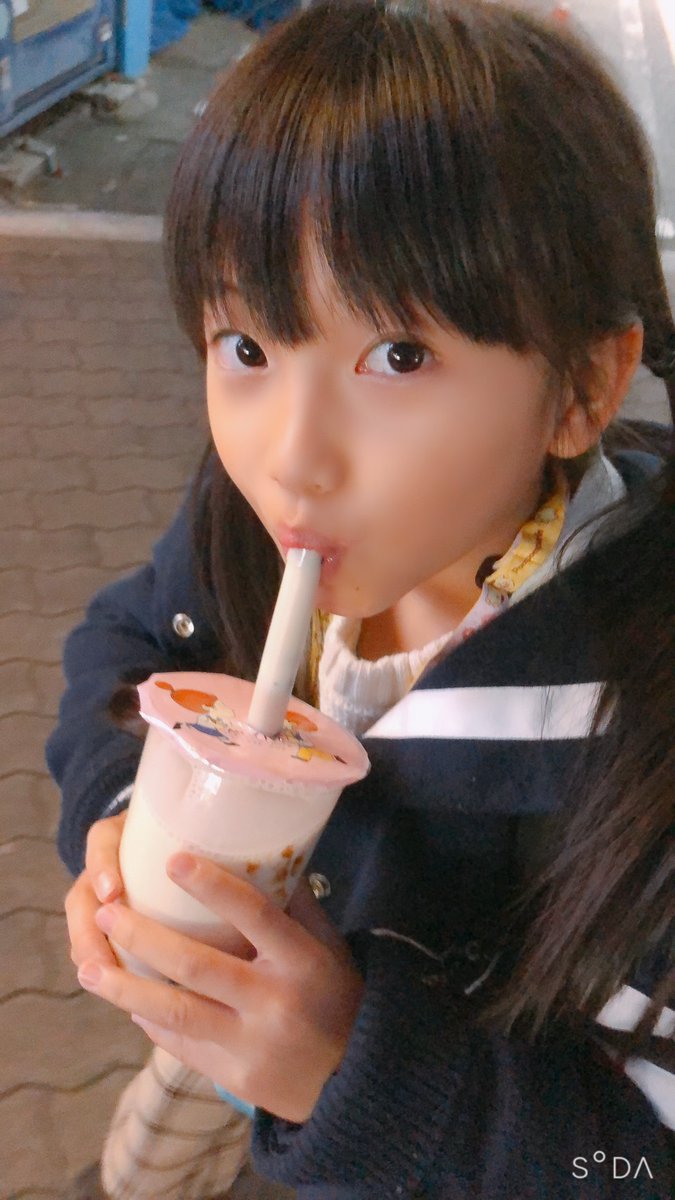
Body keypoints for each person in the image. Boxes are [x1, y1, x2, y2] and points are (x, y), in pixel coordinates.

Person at [47, 2, 675, 1197]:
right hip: (199, 1069)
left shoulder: (636, 738)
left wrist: (353, 1075)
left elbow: (636, 1163)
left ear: (582, 389)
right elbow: (124, 642)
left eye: (398, 356)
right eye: (247, 346)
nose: (291, 456)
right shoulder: (255, 522)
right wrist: (122, 814)